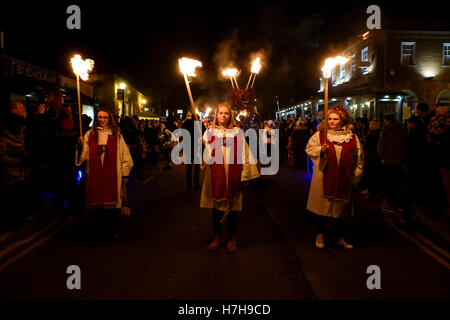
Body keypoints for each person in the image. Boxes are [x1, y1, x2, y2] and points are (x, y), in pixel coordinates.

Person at [200, 102, 260, 253]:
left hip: (234, 176)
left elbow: (244, 154)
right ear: (216, 115)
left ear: (230, 116)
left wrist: (245, 175)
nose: (223, 115)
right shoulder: (209, 132)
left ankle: (232, 237)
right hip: (216, 177)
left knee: (233, 209)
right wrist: (204, 146)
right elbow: (207, 159)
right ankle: (217, 236)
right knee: (217, 209)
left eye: (226, 113)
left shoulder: (238, 132)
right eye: (221, 113)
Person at [305, 105, 363, 249]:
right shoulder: (320, 136)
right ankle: (320, 235)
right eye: (329, 118)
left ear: (341, 120)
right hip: (324, 178)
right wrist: (321, 149)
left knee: (342, 212)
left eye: (335, 119)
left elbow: (359, 158)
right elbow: (309, 149)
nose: (331, 121)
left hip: (344, 179)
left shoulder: (352, 137)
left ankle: (341, 237)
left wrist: (355, 177)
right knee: (322, 210)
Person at [76, 108, 133, 242]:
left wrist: (125, 174)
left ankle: (111, 232)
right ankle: (97, 232)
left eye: (105, 117)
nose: (102, 120)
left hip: (113, 176)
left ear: (109, 118)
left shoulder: (116, 134)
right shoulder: (90, 134)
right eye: (100, 117)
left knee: (111, 209)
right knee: (96, 209)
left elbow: (125, 155)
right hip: (95, 175)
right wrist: (80, 145)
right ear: (96, 118)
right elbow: (82, 156)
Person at [0, 102, 32, 228]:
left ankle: (18, 218)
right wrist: (19, 161)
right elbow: (2, 158)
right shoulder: (4, 138)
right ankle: (12, 221)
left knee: (18, 197)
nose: (23, 129)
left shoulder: (20, 137)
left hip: (18, 174)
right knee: (11, 198)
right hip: (8, 175)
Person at [377, 113, 408, 213]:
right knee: (398, 183)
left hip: (388, 160)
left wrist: (381, 156)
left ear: (388, 121)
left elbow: (381, 147)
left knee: (389, 183)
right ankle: (400, 204)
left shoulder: (385, 131)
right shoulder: (402, 130)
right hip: (400, 161)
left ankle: (391, 204)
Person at [181, 111, 205, 190]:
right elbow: (204, 134)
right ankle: (196, 184)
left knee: (189, 167)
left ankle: (189, 185)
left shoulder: (185, 123)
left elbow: (182, 135)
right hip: (196, 148)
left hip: (189, 147)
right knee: (196, 167)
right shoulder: (199, 124)